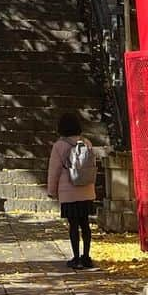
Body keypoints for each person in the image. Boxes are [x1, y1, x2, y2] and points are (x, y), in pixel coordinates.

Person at [47, 111, 97, 269]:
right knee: (86, 224)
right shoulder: (87, 142)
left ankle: (76, 258)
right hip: (86, 190)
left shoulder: (59, 146)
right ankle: (87, 257)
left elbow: (54, 170)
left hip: (69, 192)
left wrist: (52, 191)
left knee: (73, 225)